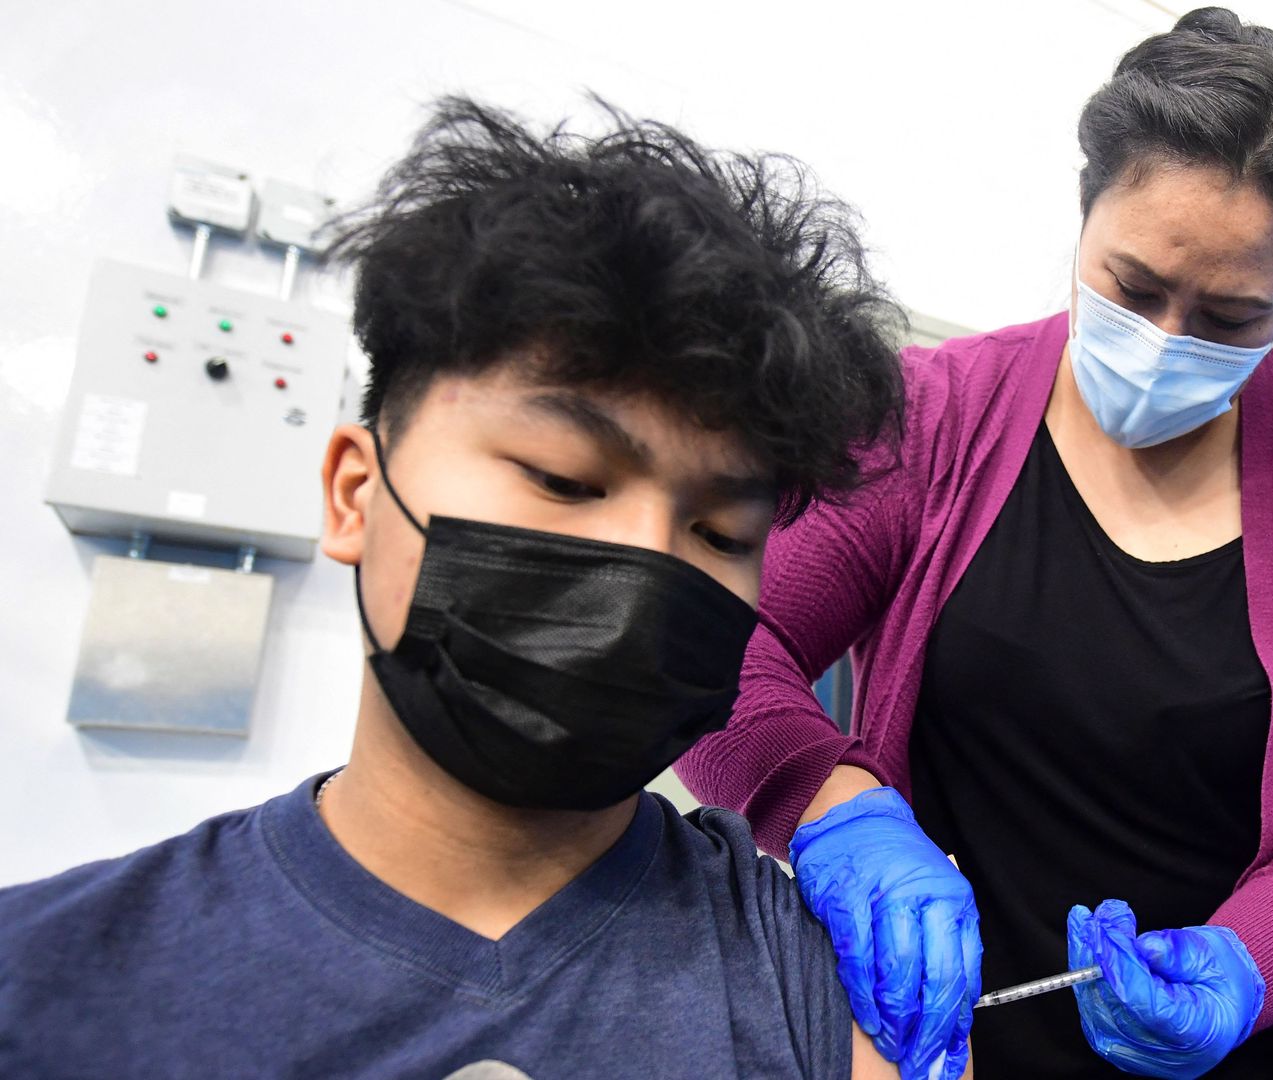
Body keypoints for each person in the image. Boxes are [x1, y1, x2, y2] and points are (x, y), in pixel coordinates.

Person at [0, 96, 961, 1080]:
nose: (649, 565)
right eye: (561, 477)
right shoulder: (44, 991)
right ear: (354, 496)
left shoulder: (832, 989)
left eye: (722, 530)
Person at [676, 8, 1273, 1078]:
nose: (1163, 345)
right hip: (942, 1052)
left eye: (1231, 317)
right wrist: (831, 810)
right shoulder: (931, 418)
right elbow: (715, 641)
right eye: (1132, 286)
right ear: (1085, 207)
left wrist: (1251, 964)